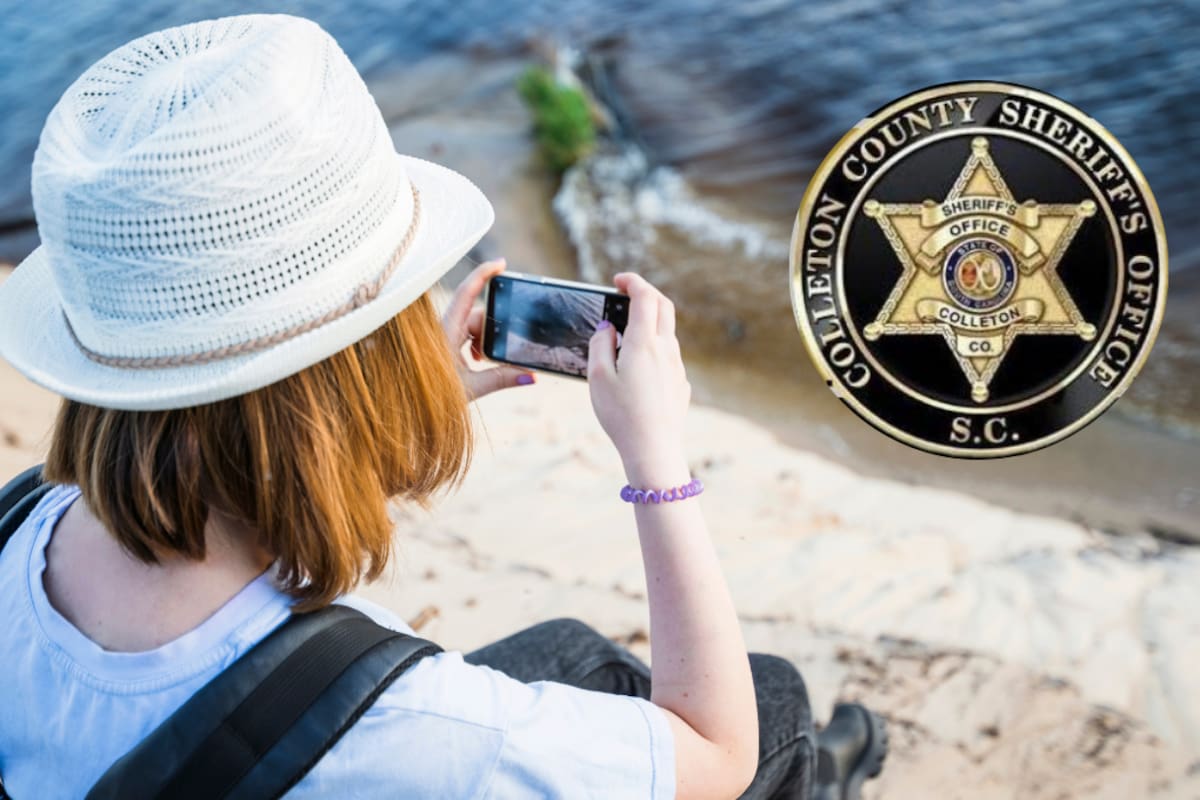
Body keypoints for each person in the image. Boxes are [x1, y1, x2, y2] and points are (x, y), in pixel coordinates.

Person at [0, 13, 885, 799]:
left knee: (584, 656)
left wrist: (383, 419)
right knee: (772, 711)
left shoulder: (22, 531)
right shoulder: (419, 731)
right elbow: (713, 756)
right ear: (358, 352)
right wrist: (657, 461)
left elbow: (240, 460)